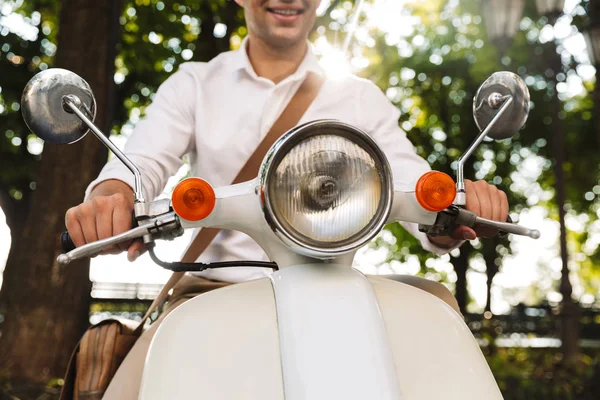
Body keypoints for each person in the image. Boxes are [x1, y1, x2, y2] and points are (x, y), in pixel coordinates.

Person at [65, 0, 509, 398]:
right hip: (212, 287)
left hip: (340, 286)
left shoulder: (357, 96)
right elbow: (140, 160)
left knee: (438, 324)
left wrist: (458, 206)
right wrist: (112, 195)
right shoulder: (196, 84)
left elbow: (415, 184)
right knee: (132, 386)